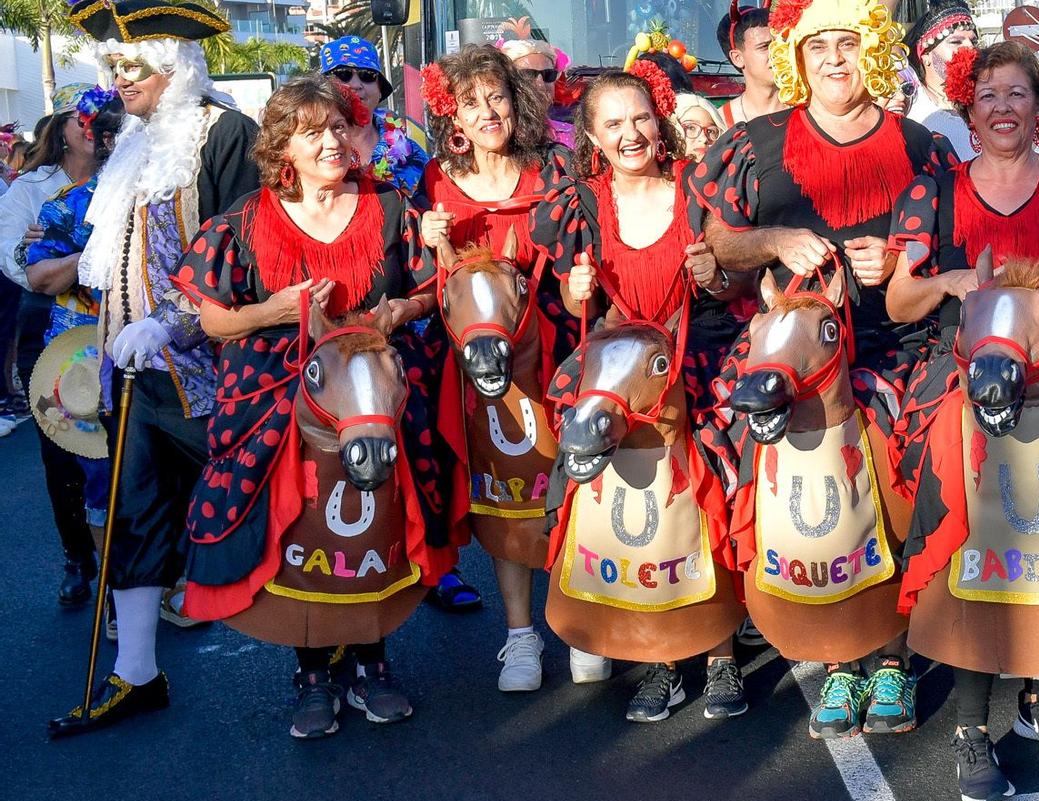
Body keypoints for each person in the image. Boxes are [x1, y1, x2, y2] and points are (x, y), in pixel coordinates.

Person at [695, 0, 954, 733]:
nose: (835, 60)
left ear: (869, 50)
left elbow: (950, 239)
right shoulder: (754, 141)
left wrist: (903, 260)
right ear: (796, 59)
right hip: (794, 353)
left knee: (897, 495)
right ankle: (841, 661)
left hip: (900, 343)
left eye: (848, 44)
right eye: (818, 47)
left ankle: (898, 660)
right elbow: (720, 241)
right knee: (807, 507)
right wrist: (773, 240)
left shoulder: (918, 144)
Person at [883, 39, 1039, 799]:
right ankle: (968, 724)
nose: (1002, 108)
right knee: (962, 513)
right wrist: (951, 281)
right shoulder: (937, 190)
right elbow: (899, 301)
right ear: (969, 108)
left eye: (1017, 95)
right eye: (988, 95)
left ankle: (1037, 696)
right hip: (959, 367)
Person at [173, 78, 450, 738]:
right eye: (311, 132)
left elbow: (432, 288)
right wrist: (275, 311)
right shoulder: (244, 217)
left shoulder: (389, 206)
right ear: (281, 148)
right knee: (298, 528)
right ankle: (311, 672)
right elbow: (213, 320)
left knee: (375, 523)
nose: (330, 142)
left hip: (371, 383)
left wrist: (402, 309)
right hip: (275, 385)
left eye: (338, 127)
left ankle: (372, 662)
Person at [49, 0, 260, 738]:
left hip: (216, 368)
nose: (119, 82)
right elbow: (116, 252)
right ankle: (137, 672)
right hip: (139, 371)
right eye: (112, 68)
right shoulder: (133, 144)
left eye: (131, 66)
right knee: (135, 514)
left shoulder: (225, 133)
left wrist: (178, 323)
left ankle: (337, 647)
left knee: (272, 497)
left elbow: (245, 249)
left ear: (176, 66)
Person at [535, 65, 744, 721]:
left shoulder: (698, 189)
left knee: (720, 486)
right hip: (618, 366)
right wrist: (575, 296)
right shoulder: (580, 205)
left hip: (702, 351)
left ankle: (722, 653)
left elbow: (734, 290)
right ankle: (657, 658)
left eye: (641, 119)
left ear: (660, 123)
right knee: (614, 495)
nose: (632, 134)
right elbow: (559, 306)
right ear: (592, 138)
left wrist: (715, 278)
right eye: (614, 124)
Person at [416, 45, 570, 692]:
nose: (488, 112)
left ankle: (575, 621)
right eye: (472, 101)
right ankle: (520, 638)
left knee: (568, 494)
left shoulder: (556, 168)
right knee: (504, 502)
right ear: (452, 110)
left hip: (555, 350)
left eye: (498, 97)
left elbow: (577, 250)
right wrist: (437, 243)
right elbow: (432, 284)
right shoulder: (435, 181)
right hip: (473, 367)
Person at [6, 86, 116, 605]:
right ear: (63, 126)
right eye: (85, 120)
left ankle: (143, 569)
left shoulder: (126, 178)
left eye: (104, 122)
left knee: (123, 456)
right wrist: (75, 255)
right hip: (46, 321)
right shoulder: (33, 187)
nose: (95, 130)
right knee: (63, 455)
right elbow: (21, 261)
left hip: (116, 326)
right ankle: (79, 556)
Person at [321, 35, 429, 197]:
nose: (356, 85)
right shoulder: (310, 151)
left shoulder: (412, 154)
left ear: (379, 91)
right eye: (343, 74)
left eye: (367, 75)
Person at [906, 0, 979, 159]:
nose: (969, 48)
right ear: (925, 56)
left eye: (973, 42)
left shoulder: (986, 100)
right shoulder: (909, 97)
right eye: (956, 42)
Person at [715, 0, 785, 130]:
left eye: (780, 44)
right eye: (764, 47)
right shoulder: (721, 124)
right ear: (737, 58)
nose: (777, 52)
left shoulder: (809, 110)